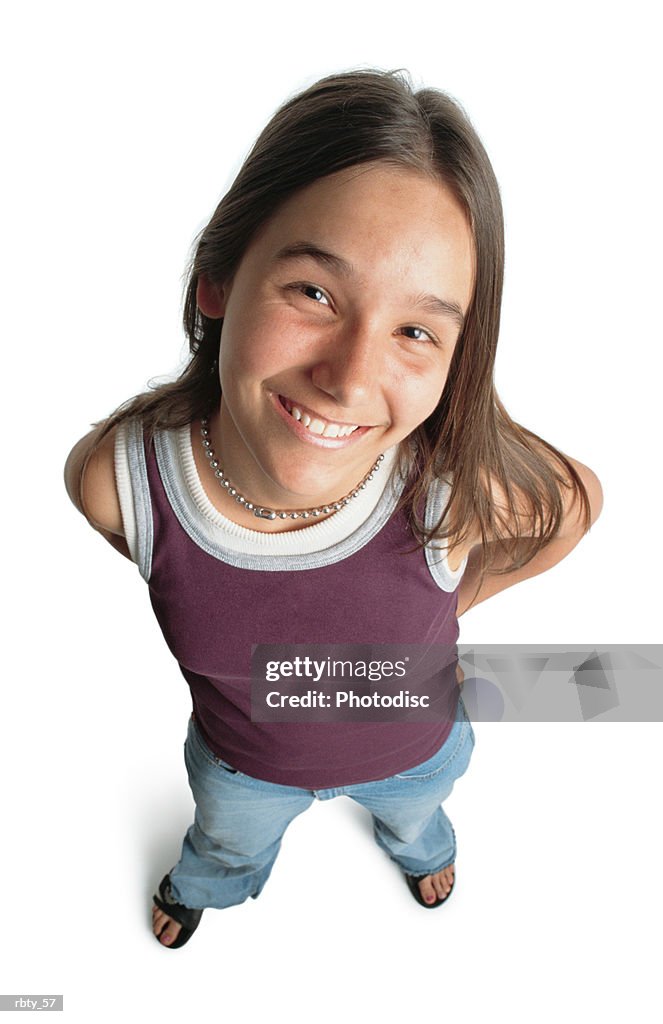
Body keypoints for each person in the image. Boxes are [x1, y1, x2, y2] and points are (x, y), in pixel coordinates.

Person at [64, 69, 603, 948]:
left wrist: (457, 604)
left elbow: (573, 507)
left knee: (419, 817)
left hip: (416, 752)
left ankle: (418, 846)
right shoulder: (120, 482)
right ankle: (211, 882)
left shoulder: (450, 486)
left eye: (416, 330)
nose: (350, 376)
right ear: (218, 279)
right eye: (314, 293)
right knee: (223, 841)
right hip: (246, 769)